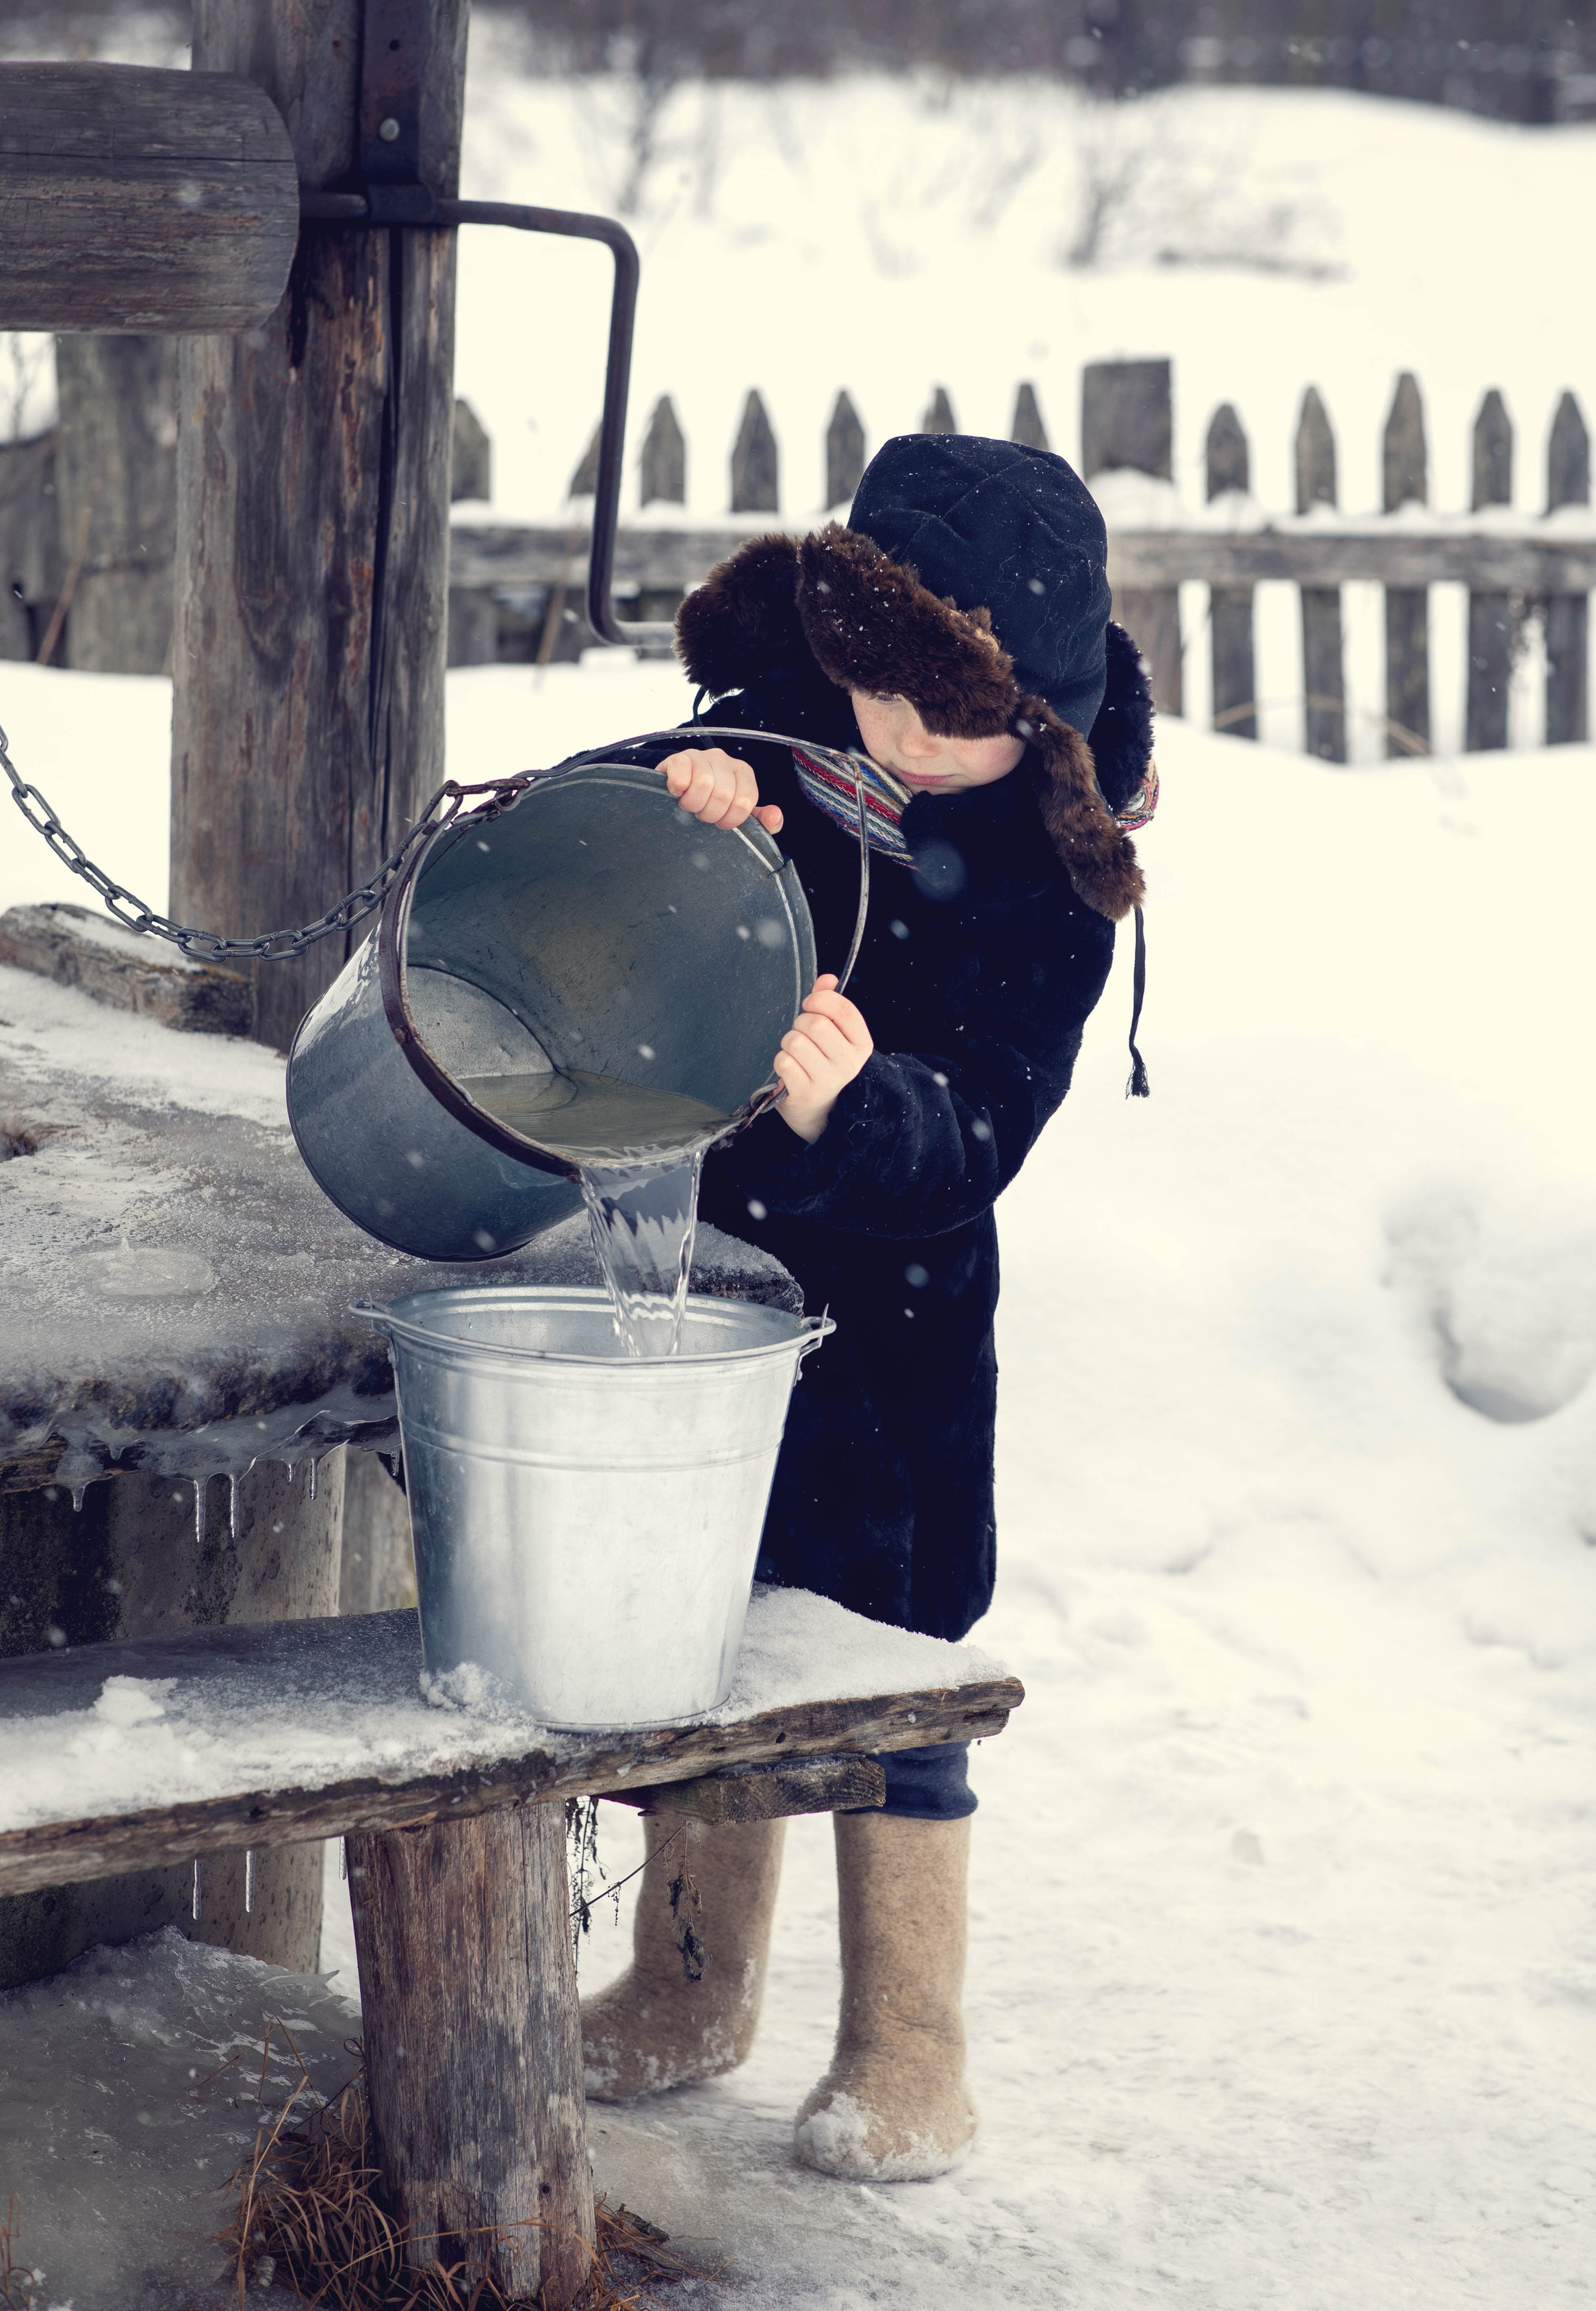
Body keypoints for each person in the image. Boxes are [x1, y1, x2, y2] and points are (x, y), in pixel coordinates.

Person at [579, 431, 1154, 2181]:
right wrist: (674, 793)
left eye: (950, 713)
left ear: (1039, 722)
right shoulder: (774, 718)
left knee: (890, 1655)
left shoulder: (1053, 881)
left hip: (894, 1323)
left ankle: (909, 2039)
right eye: (879, 693)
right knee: (705, 1624)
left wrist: (862, 1110)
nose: (899, 739)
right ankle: (689, 1983)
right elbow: (575, 841)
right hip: (705, 1274)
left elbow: (988, 1115)